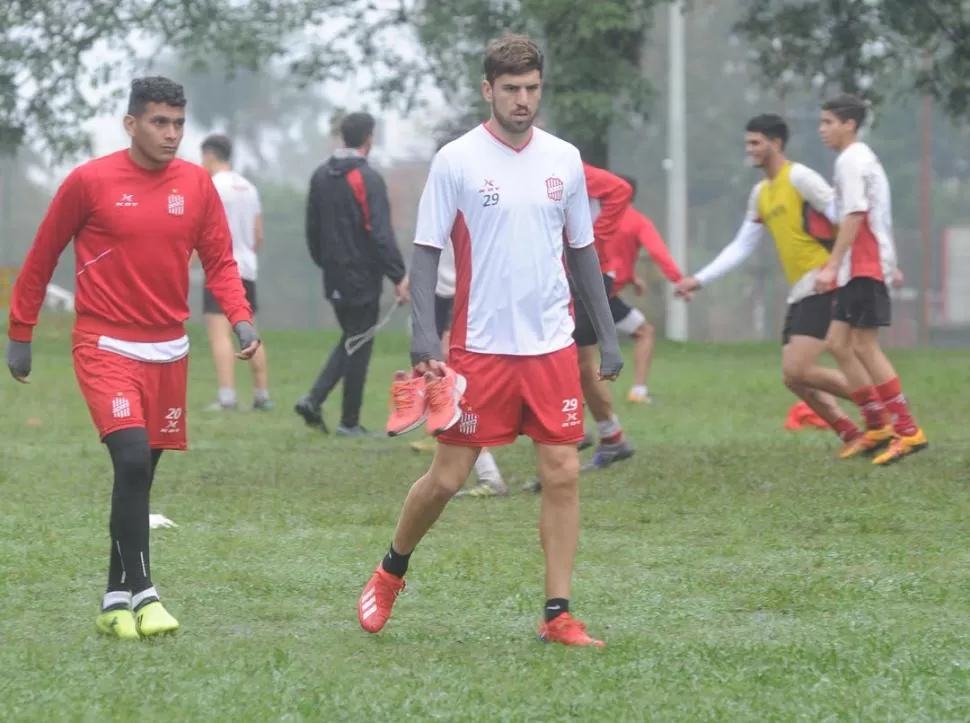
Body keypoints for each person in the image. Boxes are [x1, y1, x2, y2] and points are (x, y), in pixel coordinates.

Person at [361, 33, 622, 646]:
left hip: (553, 346)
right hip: (478, 348)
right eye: (511, 89)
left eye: (532, 88)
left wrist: (606, 335)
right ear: (488, 90)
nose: (523, 99)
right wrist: (423, 333)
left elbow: (583, 253)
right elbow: (425, 253)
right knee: (448, 479)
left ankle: (558, 613)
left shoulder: (564, 158)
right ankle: (389, 571)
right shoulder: (456, 159)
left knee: (563, 471)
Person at [4, 77, 260, 640]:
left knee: (139, 476)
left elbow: (219, 263)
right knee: (132, 460)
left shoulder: (196, 185)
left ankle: (113, 598)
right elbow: (43, 256)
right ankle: (145, 593)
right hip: (104, 344)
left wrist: (239, 315)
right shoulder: (89, 181)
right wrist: (20, 330)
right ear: (131, 124)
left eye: (178, 124)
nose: (171, 134)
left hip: (168, 348)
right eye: (158, 123)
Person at [676, 113, 867, 450]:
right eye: (748, 142)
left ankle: (882, 406)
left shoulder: (801, 177)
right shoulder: (761, 193)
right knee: (793, 378)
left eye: (755, 142)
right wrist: (699, 279)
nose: (749, 149)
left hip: (823, 279)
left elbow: (846, 215)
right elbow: (742, 245)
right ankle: (852, 434)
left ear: (775, 143)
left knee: (800, 368)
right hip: (801, 288)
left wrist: (841, 266)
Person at [816, 94, 927, 464]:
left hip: (862, 265)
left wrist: (832, 264)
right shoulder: (857, 159)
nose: (822, 130)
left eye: (829, 122)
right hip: (860, 266)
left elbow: (856, 215)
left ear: (850, 124)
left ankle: (908, 431)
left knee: (865, 346)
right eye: (822, 122)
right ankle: (877, 425)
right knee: (837, 341)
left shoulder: (852, 160)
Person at [295, 112, 409, 436]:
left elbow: (311, 230)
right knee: (359, 342)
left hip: (333, 276)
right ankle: (342, 417)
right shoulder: (367, 178)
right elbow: (380, 233)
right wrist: (398, 275)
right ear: (369, 138)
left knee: (352, 338)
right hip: (362, 277)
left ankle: (317, 402)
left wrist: (326, 264)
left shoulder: (320, 175)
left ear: (344, 137)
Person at [407, 192, 507, 498]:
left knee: (460, 383)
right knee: (439, 376)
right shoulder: (438, 197)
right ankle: (442, 430)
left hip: (468, 299)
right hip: (440, 295)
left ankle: (491, 476)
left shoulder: (488, 197)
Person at [199, 133, 271, 411]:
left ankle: (227, 396)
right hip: (247, 266)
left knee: (219, 333)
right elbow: (258, 234)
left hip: (220, 268)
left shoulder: (211, 186)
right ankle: (262, 395)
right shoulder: (248, 187)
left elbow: (202, 231)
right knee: (248, 329)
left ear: (209, 155)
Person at [610, 174, 684, 403]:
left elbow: (606, 256)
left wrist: (630, 277)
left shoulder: (595, 217)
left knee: (572, 349)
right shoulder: (637, 222)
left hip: (583, 291)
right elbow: (658, 253)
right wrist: (679, 280)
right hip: (601, 296)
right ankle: (638, 392)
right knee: (645, 333)